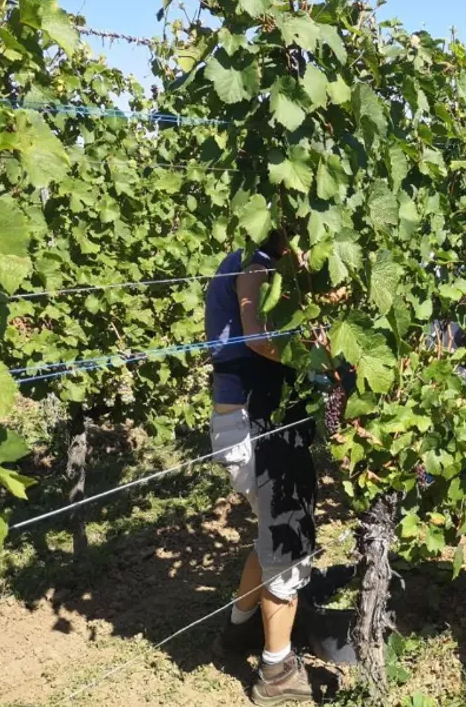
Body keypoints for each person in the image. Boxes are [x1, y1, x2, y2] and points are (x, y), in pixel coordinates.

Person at [204, 228, 317, 704]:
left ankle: (239, 629)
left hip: (243, 422)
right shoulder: (258, 265)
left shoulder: (247, 259)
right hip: (258, 424)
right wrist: (316, 359)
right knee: (288, 539)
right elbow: (256, 337)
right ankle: (276, 671)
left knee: (270, 533)